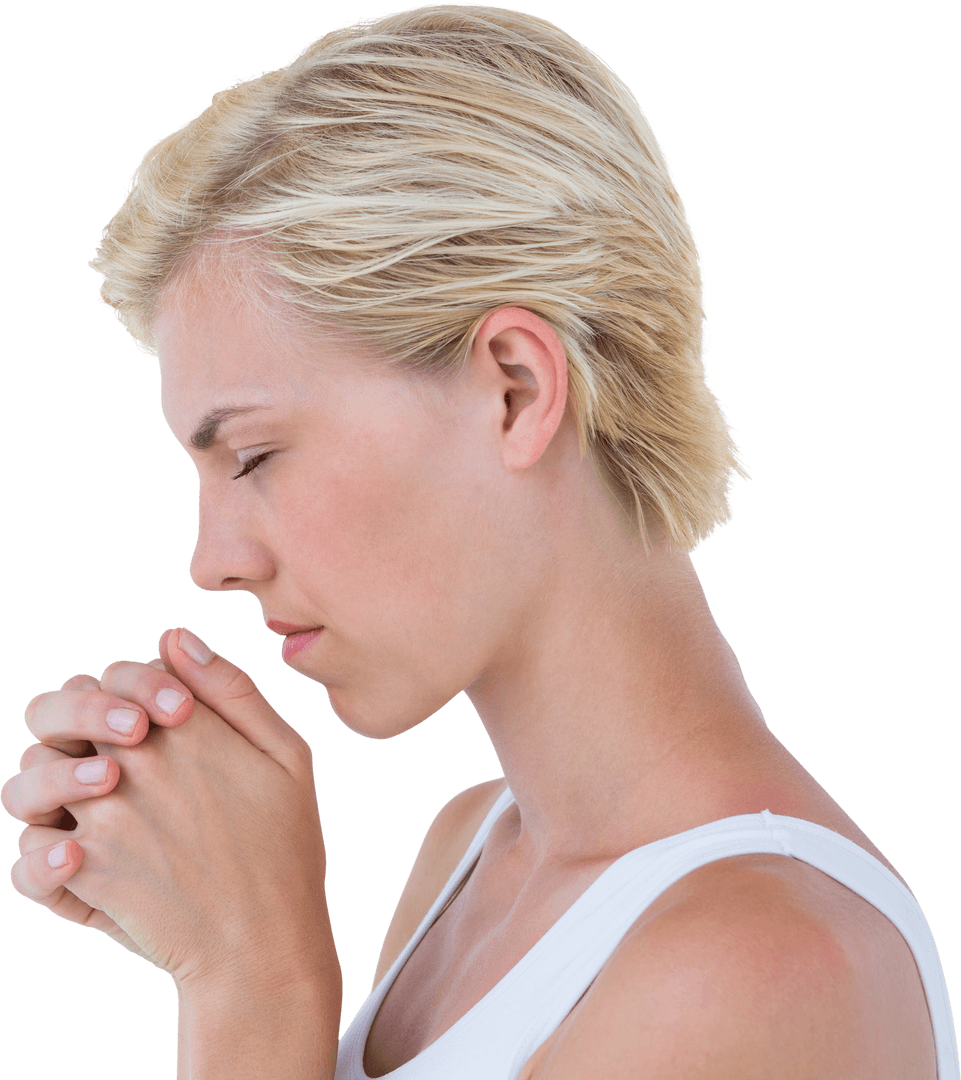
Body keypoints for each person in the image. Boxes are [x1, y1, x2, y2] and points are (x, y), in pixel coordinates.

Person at [2, 4, 957, 1078]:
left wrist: (253, 978)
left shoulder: (757, 965)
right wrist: (213, 923)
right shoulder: (470, 849)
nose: (212, 559)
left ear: (515, 391)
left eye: (255, 456)